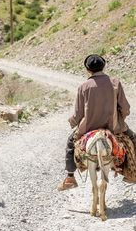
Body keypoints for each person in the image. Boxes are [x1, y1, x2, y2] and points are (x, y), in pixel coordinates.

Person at [58, 54, 136, 191]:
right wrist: (121, 119)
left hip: (88, 128)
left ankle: (70, 177)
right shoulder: (115, 83)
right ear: (104, 66)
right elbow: (125, 108)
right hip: (114, 128)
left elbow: (78, 114)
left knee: (70, 142)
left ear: (88, 69)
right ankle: (132, 173)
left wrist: (72, 122)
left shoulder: (83, 87)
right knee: (133, 139)